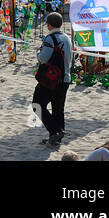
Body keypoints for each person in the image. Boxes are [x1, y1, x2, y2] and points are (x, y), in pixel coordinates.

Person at [34, 12, 74, 147]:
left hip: (51, 79)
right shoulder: (67, 37)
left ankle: (55, 131)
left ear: (49, 25)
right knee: (58, 108)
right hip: (65, 79)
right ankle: (56, 137)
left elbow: (43, 58)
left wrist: (38, 53)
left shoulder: (50, 38)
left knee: (37, 105)